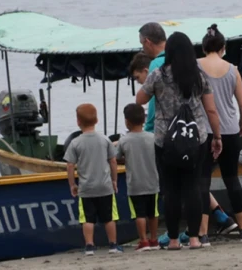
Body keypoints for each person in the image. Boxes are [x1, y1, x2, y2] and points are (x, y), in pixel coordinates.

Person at [136, 31, 223, 250]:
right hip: (196, 139)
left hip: (166, 141)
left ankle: (173, 240)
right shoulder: (198, 75)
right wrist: (217, 136)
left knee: (171, 190)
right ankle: (194, 239)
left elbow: (140, 99)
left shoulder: (158, 75)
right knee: (193, 187)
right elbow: (211, 109)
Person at [197, 24, 242, 244]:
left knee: (202, 182)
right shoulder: (232, 69)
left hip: (204, 130)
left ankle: (202, 233)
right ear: (223, 47)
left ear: (203, 48)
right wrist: (241, 125)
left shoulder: (195, 67)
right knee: (232, 179)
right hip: (230, 130)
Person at [64, 104, 121, 256]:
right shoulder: (104, 140)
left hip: (86, 187)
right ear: (96, 120)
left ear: (78, 122)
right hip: (105, 186)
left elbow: (70, 165)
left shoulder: (75, 142)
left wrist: (72, 184)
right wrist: (114, 180)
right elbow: (113, 161)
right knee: (109, 217)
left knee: (88, 219)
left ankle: (89, 246)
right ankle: (113, 245)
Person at [118, 103, 160, 252]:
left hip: (135, 183)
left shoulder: (124, 140)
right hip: (153, 181)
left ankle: (143, 240)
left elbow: (117, 157)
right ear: (144, 120)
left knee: (139, 214)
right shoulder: (153, 137)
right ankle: (154, 239)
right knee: (153, 212)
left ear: (127, 121)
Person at [139, 23, 167, 132]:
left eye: (142, 44)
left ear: (148, 42)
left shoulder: (156, 64)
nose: (143, 48)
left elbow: (153, 102)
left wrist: (149, 128)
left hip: (162, 130)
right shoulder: (181, 58)